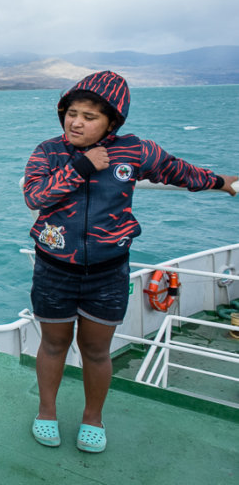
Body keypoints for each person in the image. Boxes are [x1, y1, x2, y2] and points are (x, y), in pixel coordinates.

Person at [23, 71, 237, 453]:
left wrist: (223, 182)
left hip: (107, 272)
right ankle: (46, 412)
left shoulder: (135, 151)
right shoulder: (49, 151)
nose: (76, 122)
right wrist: (81, 166)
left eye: (89, 117)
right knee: (53, 344)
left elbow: (179, 171)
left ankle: (93, 418)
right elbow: (35, 197)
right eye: (72, 112)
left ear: (111, 122)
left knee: (96, 350)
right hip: (54, 269)